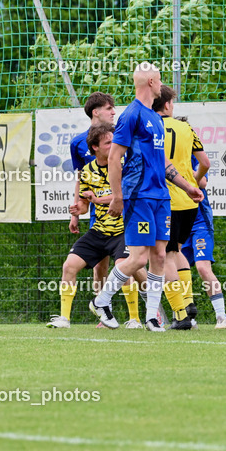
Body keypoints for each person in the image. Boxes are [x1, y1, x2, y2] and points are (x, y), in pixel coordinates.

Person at [88, 62, 203, 332]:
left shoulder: (154, 118)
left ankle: (152, 316)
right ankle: (102, 301)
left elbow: (161, 161)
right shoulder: (131, 115)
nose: (162, 85)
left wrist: (187, 187)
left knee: (161, 255)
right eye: (160, 80)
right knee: (139, 257)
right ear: (151, 82)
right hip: (138, 195)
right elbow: (115, 157)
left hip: (162, 196)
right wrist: (117, 197)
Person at [49, 123, 137, 328]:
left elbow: (122, 197)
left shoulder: (125, 165)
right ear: (95, 148)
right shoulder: (86, 171)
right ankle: (64, 319)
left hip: (123, 229)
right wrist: (78, 209)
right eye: (108, 143)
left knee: (122, 267)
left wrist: (97, 200)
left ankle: (134, 319)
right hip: (99, 230)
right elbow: (85, 204)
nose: (114, 145)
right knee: (69, 266)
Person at [68, 92, 141, 326]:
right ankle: (103, 310)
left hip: (124, 212)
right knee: (100, 266)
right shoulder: (78, 142)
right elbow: (81, 178)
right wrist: (78, 208)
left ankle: (142, 311)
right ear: (95, 112)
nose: (113, 112)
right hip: (98, 217)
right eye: (109, 108)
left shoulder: (122, 136)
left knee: (130, 263)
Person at [152, 86, 210, 328]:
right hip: (189, 201)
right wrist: (193, 183)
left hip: (165, 200)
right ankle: (188, 302)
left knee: (163, 256)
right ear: (167, 105)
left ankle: (179, 314)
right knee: (176, 252)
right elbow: (205, 162)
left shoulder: (151, 128)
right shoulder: (186, 128)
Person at [181, 175, 226, 329]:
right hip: (178, 221)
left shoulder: (192, 157)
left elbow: (202, 182)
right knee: (177, 270)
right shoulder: (164, 158)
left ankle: (221, 316)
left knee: (203, 267)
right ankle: (186, 317)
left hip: (199, 223)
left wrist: (181, 174)